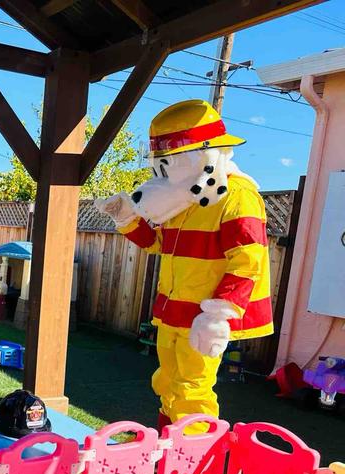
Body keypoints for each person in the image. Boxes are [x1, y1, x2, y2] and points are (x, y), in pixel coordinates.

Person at [95, 99, 272, 434]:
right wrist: (127, 218)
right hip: (172, 311)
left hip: (201, 316)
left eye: (171, 160)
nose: (164, 171)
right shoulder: (183, 198)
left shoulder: (237, 196)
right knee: (166, 384)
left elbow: (249, 261)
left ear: (199, 155)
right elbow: (160, 244)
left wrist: (219, 314)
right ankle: (168, 450)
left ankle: (193, 468)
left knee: (192, 391)